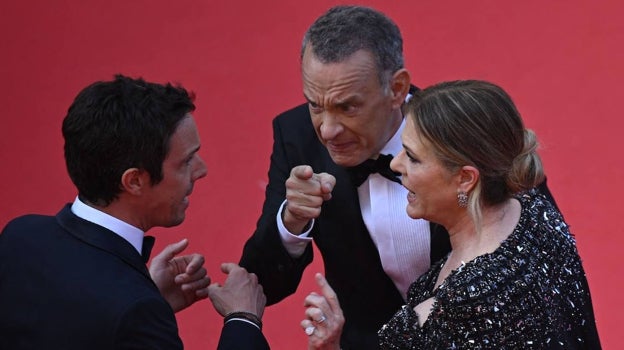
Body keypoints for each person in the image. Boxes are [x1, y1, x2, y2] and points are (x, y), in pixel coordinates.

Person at [239, 6, 556, 349]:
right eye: (315, 105)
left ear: (396, 88)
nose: (327, 130)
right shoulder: (297, 137)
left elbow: (548, 274)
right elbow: (260, 286)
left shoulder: (467, 134)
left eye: (348, 107)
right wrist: (292, 220)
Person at [301, 80, 601, 349]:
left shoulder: (462, 306)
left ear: (465, 179)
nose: (396, 165)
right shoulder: (535, 211)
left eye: (414, 158)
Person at [0, 75, 269, 350]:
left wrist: (145, 293)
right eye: (186, 161)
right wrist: (243, 320)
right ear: (134, 181)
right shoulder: (134, 310)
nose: (201, 170)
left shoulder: (19, 236)